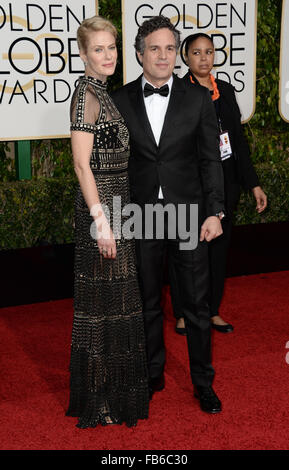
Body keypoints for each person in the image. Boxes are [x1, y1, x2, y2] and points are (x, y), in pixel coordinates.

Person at [112, 16, 225, 414]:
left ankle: (202, 382)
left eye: (169, 48)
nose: (163, 55)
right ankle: (151, 374)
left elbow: (211, 159)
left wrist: (215, 212)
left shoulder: (197, 98)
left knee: (194, 304)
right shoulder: (121, 99)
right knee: (145, 302)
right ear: (140, 53)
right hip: (141, 214)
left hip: (190, 214)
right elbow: (112, 166)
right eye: (154, 48)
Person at [66, 15, 149, 428]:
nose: (107, 55)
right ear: (82, 54)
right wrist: (101, 222)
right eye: (97, 49)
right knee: (102, 307)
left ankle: (112, 395)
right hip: (102, 210)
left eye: (111, 48)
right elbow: (82, 166)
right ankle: (99, 401)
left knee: (117, 303)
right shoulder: (85, 96)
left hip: (119, 204)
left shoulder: (104, 93)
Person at [172, 33, 267, 335]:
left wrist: (253, 184)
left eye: (209, 52)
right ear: (185, 57)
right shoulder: (177, 92)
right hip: (190, 184)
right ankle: (185, 312)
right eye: (196, 52)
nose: (203, 58)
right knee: (186, 250)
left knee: (218, 251)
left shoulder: (224, 90)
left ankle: (211, 311)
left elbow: (237, 141)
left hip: (225, 183)